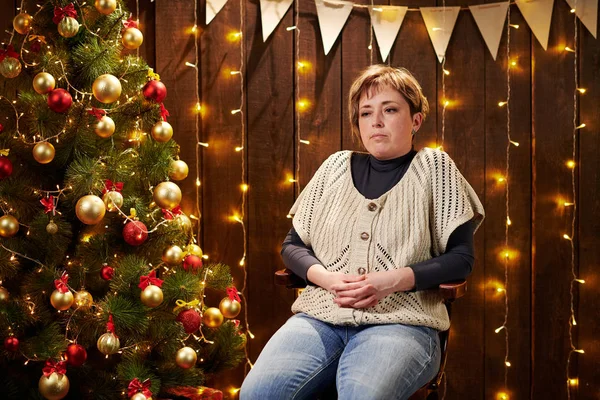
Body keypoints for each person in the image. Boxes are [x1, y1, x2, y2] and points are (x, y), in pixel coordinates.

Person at [240, 65, 485, 400]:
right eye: (366, 113)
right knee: (258, 394)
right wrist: (327, 279)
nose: (376, 121)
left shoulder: (435, 168)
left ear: (416, 120)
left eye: (390, 109)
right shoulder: (334, 167)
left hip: (404, 322)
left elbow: (461, 259)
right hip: (320, 318)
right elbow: (293, 246)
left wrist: (387, 282)